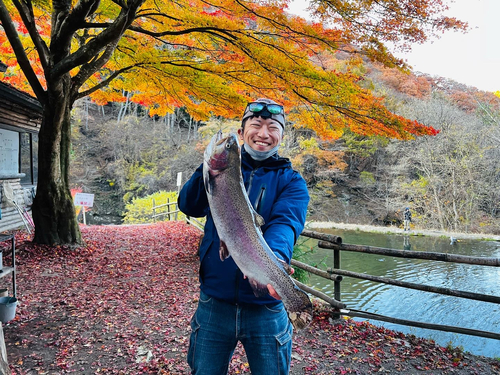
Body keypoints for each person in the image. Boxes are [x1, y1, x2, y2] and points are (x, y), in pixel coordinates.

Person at [178, 98, 310, 375]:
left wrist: (276, 261)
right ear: (242, 132)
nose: (263, 133)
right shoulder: (221, 171)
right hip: (214, 300)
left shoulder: (292, 182)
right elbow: (188, 206)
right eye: (256, 125)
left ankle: (291, 298)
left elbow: (285, 225)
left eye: (272, 127)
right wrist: (205, 169)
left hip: (266, 309)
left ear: (281, 135)